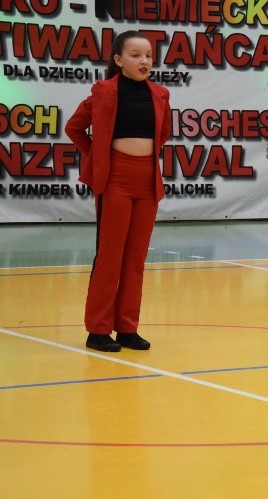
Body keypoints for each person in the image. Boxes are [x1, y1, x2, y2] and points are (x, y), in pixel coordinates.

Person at [65, 30, 171, 353]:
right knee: (110, 256)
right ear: (118, 60)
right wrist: (99, 159)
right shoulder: (103, 91)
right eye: (136, 55)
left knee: (135, 258)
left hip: (147, 181)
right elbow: (74, 128)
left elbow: (162, 135)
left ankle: (127, 327)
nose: (144, 61)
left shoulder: (161, 94)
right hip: (116, 180)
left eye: (149, 55)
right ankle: (97, 330)